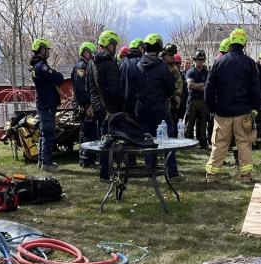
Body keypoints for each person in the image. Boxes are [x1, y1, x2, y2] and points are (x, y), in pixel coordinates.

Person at [204, 28, 261, 183]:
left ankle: (212, 175)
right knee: (244, 143)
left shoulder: (219, 62)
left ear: (230, 41)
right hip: (243, 113)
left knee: (219, 144)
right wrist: (255, 108)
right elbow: (255, 89)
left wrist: (211, 108)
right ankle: (246, 176)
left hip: (222, 113)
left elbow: (209, 88)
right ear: (244, 43)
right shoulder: (250, 63)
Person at [124, 33, 178, 178]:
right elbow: (171, 90)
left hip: (142, 111)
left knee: (148, 141)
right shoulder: (163, 68)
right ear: (159, 48)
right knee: (168, 141)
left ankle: (150, 170)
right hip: (161, 111)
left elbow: (130, 92)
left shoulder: (136, 66)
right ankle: (172, 172)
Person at [87, 30, 122, 181]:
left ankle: (104, 171)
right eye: (114, 45)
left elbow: (90, 86)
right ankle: (106, 173)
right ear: (109, 45)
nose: (115, 48)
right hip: (109, 107)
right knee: (110, 140)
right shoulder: (110, 63)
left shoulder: (91, 62)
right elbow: (115, 89)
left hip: (97, 107)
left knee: (103, 139)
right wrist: (119, 105)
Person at [30, 38, 64, 172]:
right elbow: (58, 78)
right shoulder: (40, 66)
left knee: (44, 134)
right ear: (41, 49)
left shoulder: (38, 65)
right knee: (49, 134)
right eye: (47, 49)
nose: (48, 52)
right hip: (47, 103)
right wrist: (57, 75)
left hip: (45, 103)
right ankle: (47, 163)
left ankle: (42, 161)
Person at [73, 41, 98, 168]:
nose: (92, 55)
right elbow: (80, 88)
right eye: (90, 52)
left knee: (92, 132)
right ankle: (85, 159)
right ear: (85, 52)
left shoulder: (87, 65)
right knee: (86, 133)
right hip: (85, 106)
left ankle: (90, 159)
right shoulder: (81, 67)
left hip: (90, 105)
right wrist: (87, 105)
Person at [184, 49, 209, 148]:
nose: (200, 61)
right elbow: (190, 85)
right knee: (189, 123)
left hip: (203, 101)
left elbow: (209, 86)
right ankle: (186, 143)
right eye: (198, 59)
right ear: (195, 60)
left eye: (202, 60)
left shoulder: (206, 72)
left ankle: (202, 144)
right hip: (192, 100)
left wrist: (199, 86)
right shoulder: (191, 71)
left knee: (202, 124)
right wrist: (203, 85)